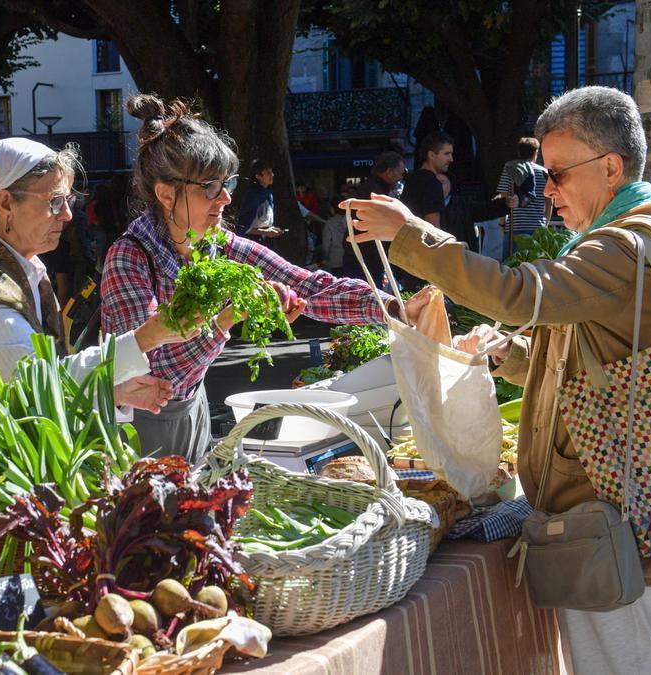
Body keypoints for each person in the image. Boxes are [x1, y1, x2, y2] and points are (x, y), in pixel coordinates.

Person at [345, 86, 651, 675]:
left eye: (558, 174)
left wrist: (410, 232)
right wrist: (511, 356)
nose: (547, 191)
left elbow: (522, 295)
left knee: (624, 667)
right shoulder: (628, 242)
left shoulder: (625, 247)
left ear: (611, 167)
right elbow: (591, 363)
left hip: (615, 513)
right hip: (624, 505)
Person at [101, 94, 429, 462]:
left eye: (228, 182)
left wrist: (392, 307)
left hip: (194, 410)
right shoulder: (130, 258)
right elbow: (158, 377)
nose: (225, 198)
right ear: (165, 193)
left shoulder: (219, 246)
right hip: (135, 427)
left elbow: (307, 286)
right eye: (210, 186)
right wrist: (228, 318)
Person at [0, 136, 204, 413]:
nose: (66, 214)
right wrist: (145, 338)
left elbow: (35, 386)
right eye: (54, 202)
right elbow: (36, 383)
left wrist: (111, 392)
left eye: (67, 200)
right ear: (5, 204)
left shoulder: (13, 266)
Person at [341, 151, 405, 281]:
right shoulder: (375, 192)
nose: (401, 177)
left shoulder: (372, 187)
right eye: (401, 172)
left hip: (362, 253)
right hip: (366, 255)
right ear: (389, 172)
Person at [497, 137, 552, 256]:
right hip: (537, 227)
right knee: (534, 267)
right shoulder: (544, 172)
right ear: (535, 153)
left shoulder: (510, 169)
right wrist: (545, 223)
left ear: (519, 152)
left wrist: (502, 223)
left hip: (514, 226)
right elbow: (549, 202)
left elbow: (503, 198)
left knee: (511, 268)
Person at [235, 159, 283, 242]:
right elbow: (242, 226)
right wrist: (265, 231)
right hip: (250, 240)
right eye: (268, 173)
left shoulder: (268, 193)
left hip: (265, 240)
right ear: (258, 176)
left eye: (271, 172)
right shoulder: (252, 195)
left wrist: (271, 229)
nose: (272, 175)